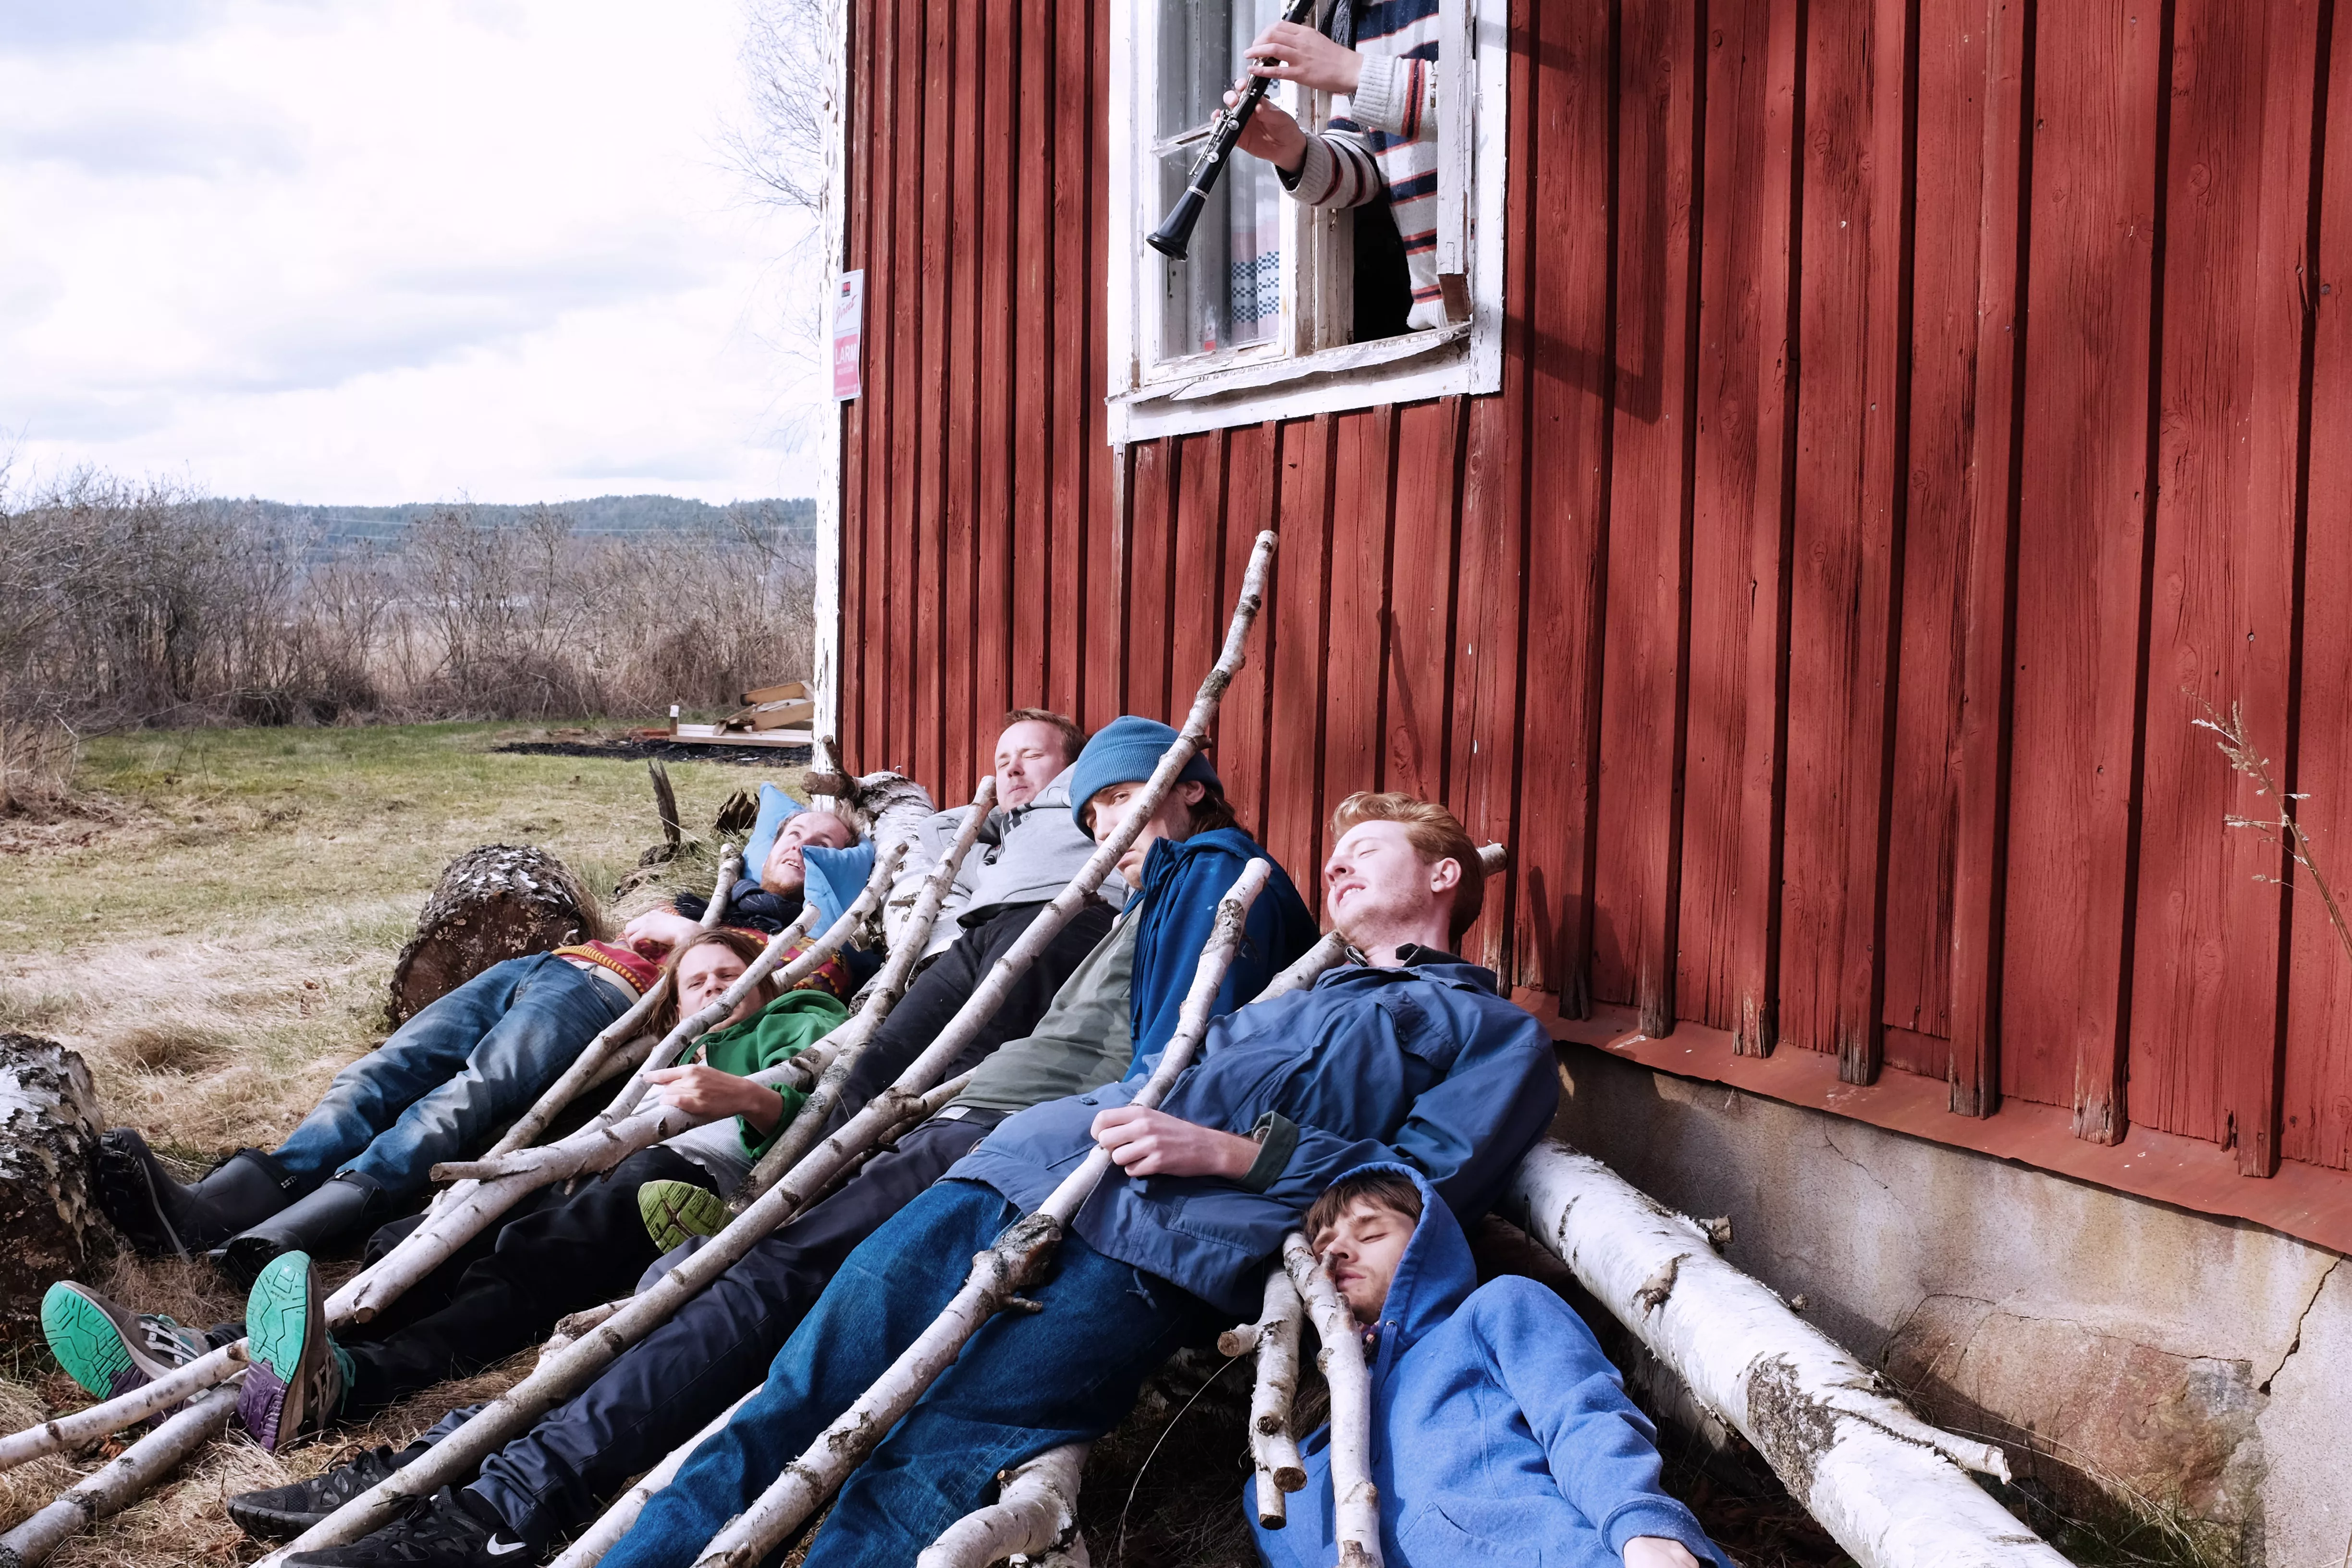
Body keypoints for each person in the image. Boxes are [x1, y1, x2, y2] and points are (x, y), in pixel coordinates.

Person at [245, 718, 1318, 1564]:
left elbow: (1178, 1064)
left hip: (1004, 1149)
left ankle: (498, 1500)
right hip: (970, 1131)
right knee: (728, 1294)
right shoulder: (1153, 886)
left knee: (763, 1297)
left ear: (1191, 785)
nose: (1111, 840)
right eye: (1094, 821)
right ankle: (462, 1473)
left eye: (1127, 803)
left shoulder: (1213, 869)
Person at [579, 791, 1557, 1568]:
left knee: (934, 1459)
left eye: (1367, 850)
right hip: (1018, 1169)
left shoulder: (1492, 1032)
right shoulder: (1297, 996)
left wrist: (1230, 1155)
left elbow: (1418, 1188)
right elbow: (1160, 1072)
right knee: (798, 1390)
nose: (1335, 863)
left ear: (1442, 875)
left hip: (1164, 1248)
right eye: (1336, 853)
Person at [89, 809, 859, 1287]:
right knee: (380, 1070)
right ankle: (220, 1208)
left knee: (465, 1097)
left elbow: (763, 980)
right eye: (791, 831)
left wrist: (687, 936)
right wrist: (684, 920)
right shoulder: (710, 892)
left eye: (822, 843)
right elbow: (641, 923)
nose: (799, 844)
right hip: (555, 967)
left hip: (615, 1002)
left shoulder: (827, 938)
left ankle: (285, 1235)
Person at [1258, 1166, 1726, 1568]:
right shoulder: (1293, 1473)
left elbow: (1581, 1414)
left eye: (1371, 1233)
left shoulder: (1494, 1311)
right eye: (1322, 1249)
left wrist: (1641, 1527)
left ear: (1427, 1246)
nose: (1337, 1251)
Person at [1229, 7, 1445, 333]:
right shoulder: (1361, 12)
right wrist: (1294, 153)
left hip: (1516, 281)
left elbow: (1503, 100)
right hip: (1441, 316)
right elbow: (1370, 162)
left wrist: (1352, 68)